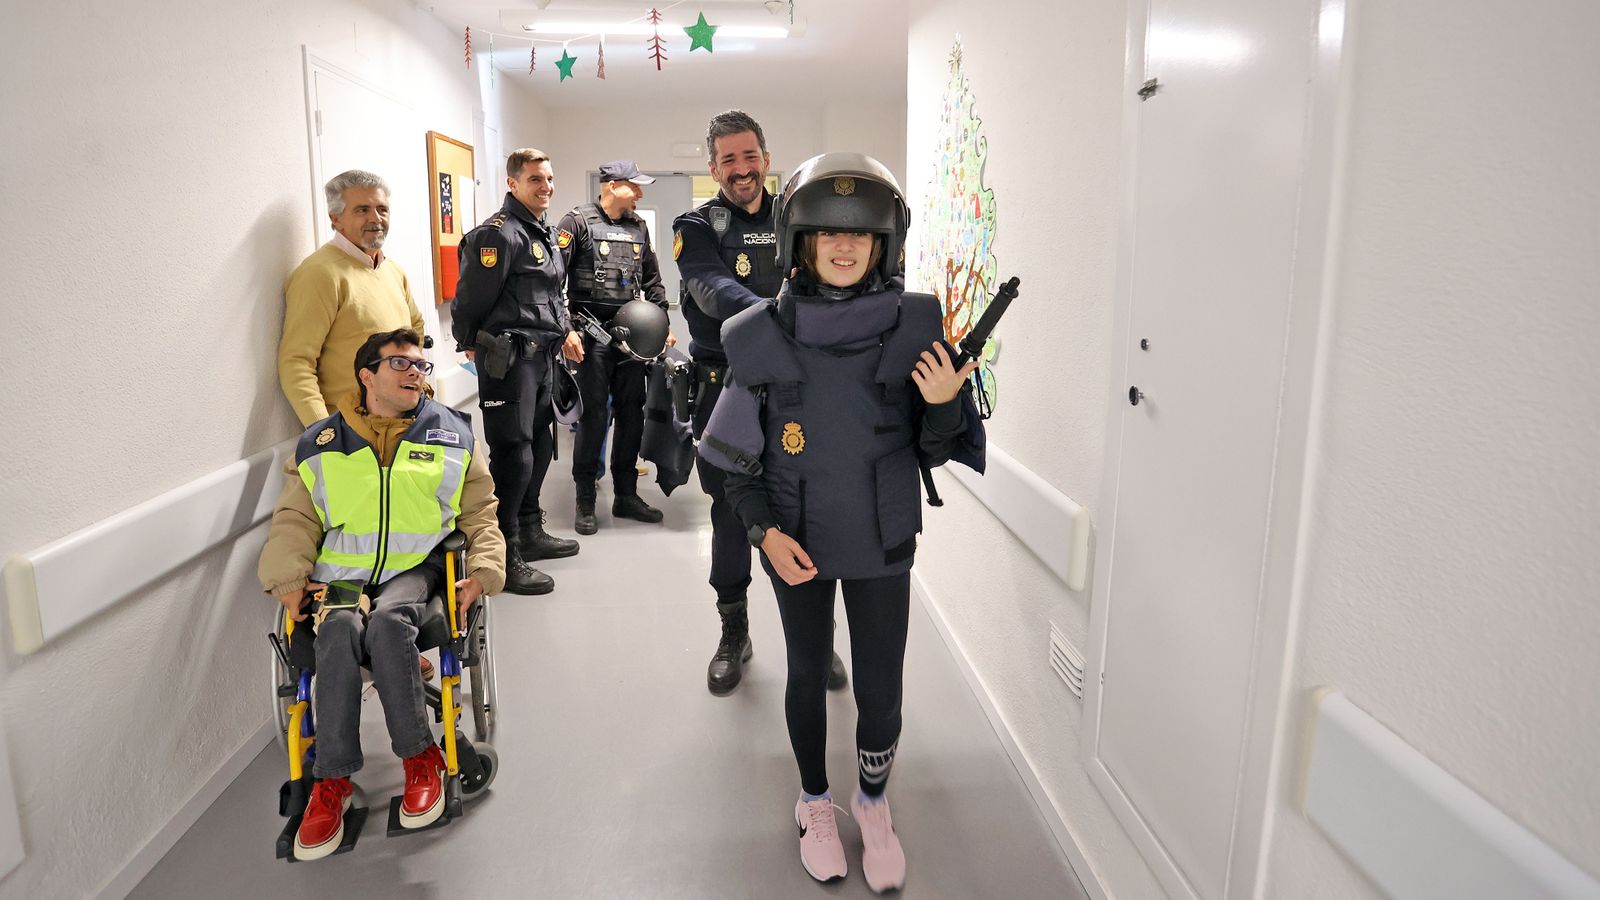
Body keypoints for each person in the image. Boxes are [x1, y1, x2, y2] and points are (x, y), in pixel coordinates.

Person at [698, 153, 985, 891]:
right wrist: (764, 534)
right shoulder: (758, 334)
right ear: (801, 242)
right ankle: (815, 802)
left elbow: (936, 449)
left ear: (884, 244)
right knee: (805, 670)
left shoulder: (916, 324)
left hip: (883, 536)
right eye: (828, 232)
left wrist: (945, 402)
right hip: (793, 537)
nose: (846, 245)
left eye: (861, 233)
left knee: (881, 683)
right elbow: (734, 464)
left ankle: (874, 801)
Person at [258, 328, 506, 861]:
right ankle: (332, 779)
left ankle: (421, 757)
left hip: (416, 567)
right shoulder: (322, 443)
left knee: (391, 624)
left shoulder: (452, 434)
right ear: (366, 376)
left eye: (420, 365)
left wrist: (485, 571)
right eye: (400, 363)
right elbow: (295, 519)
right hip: (343, 574)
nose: (415, 371)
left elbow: (481, 513)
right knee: (339, 629)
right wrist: (288, 579)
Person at [674, 111, 847, 696]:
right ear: (713, 167)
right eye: (729, 159)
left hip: (797, 389)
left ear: (766, 159)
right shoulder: (696, 225)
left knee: (808, 505)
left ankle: (815, 637)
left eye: (750, 156)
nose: (741, 169)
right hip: (725, 386)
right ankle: (734, 632)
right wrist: (779, 316)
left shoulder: (797, 216)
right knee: (730, 512)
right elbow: (710, 288)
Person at [452, 148, 581, 595]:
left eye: (549, 179)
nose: (546, 187)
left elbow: (555, 294)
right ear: (513, 183)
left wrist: (566, 329)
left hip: (542, 357)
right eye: (535, 180)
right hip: (508, 361)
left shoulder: (542, 232)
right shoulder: (498, 235)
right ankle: (502, 553)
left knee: (541, 446)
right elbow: (469, 300)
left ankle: (530, 529)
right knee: (514, 452)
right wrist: (471, 343)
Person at [556, 160, 673, 534]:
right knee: (593, 417)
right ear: (610, 185)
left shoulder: (638, 227)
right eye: (633, 186)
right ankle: (585, 498)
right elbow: (552, 283)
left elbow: (652, 281)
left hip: (631, 339)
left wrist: (662, 325)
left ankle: (626, 494)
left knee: (632, 414)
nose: (639, 193)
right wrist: (565, 330)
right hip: (590, 337)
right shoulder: (576, 223)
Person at [279, 169, 427, 428]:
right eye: (362, 210)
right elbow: (296, 363)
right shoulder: (319, 274)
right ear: (336, 218)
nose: (376, 219)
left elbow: (416, 329)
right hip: (352, 433)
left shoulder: (393, 272)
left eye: (382, 209)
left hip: (402, 426)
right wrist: (324, 434)